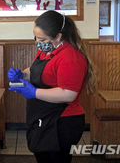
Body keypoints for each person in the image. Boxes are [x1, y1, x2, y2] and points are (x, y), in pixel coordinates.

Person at [8, 10, 97, 163]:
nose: (37, 41)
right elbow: (37, 71)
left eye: (41, 38)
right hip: (43, 117)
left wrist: (34, 92)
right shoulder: (46, 50)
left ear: (58, 36)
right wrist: (22, 75)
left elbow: (68, 93)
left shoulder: (70, 58)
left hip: (62, 122)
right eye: (35, 36)